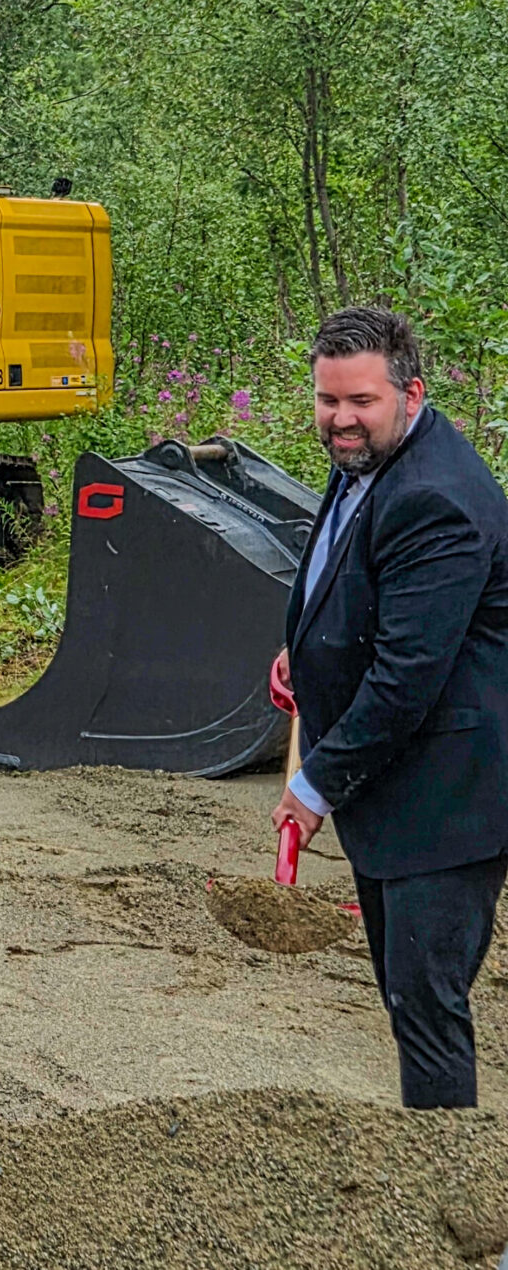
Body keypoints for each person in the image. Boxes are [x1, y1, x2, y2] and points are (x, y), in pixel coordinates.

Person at [273, 307, 508, 1109]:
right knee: (407, 1000)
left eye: (361, 402)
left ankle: (458, 1212)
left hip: (451, 801)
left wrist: (313, 787)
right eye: (327, 400)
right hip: (401, 793)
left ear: (411, 392)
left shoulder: (438, 496)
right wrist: (304, 656)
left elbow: (408, 675)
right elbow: (361, 588)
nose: (341, 419)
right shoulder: (368, 462)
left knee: (427, 1010)